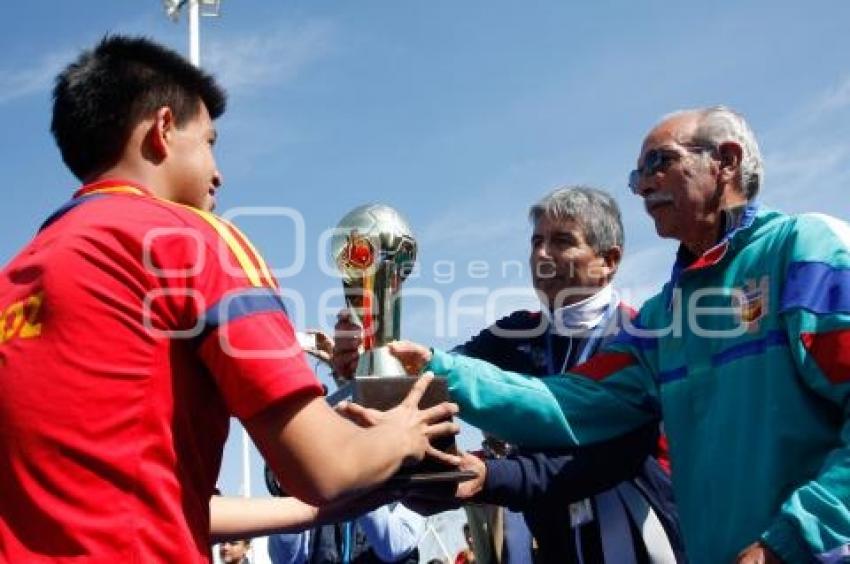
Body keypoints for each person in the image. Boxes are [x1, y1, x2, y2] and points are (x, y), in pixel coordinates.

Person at [0, 35, 459, 562]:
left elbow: (177, 504)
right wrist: (403, 432)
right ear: (164, 129)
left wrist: (320, 511)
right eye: (211, 141)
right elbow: (326, 466)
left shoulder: (18, 273)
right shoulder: (191, 239)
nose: (218, 172)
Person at [389, 106, 850, 563]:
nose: (644, 184)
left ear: (726, 161)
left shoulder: (806, 251)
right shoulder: (664, 317)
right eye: (637, 176)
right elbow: (566, 403)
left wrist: (789, 542)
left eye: (659, 162)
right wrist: (432, 367)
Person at [336, 188, 684, 562]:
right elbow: (432, 382)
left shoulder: (638, 338)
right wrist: (371, 364)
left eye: (561, 241)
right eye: (536, 241)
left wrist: (488, 477)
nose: (542, 254)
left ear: (608, 261)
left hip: (644, 547)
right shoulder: (515, 332)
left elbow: (605, 461)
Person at [268, 503, 424, 563]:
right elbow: (286, 559)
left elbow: (394, 547)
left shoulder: (410, 485)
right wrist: (291, 491)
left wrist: (360, 479)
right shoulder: (316, 493)